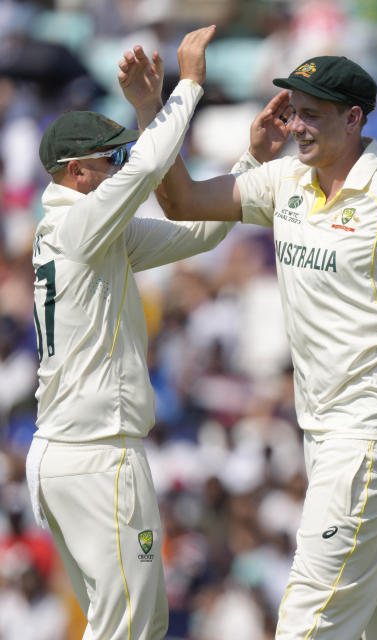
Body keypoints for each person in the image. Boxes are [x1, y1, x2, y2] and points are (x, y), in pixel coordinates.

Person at [153, 55, 377, 638]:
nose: (296, 126)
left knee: (307, 619)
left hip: (367, 431)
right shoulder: (284, 180)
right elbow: (181, 202)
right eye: (293, 113)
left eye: (312, 114)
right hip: (324, 431)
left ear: (354, 119)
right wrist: (156, 109)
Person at [24, 26, 250, 640]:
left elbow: (203, 229)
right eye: (109, 161)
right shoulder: (80, 229)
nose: (122, 167)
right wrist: (190, 85)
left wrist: (250, 160)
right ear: (76, 174)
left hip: (67, 452)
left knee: (117, 622)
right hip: (97, 455)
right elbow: (151, 162)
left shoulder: (92, 236)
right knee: (133, 625)